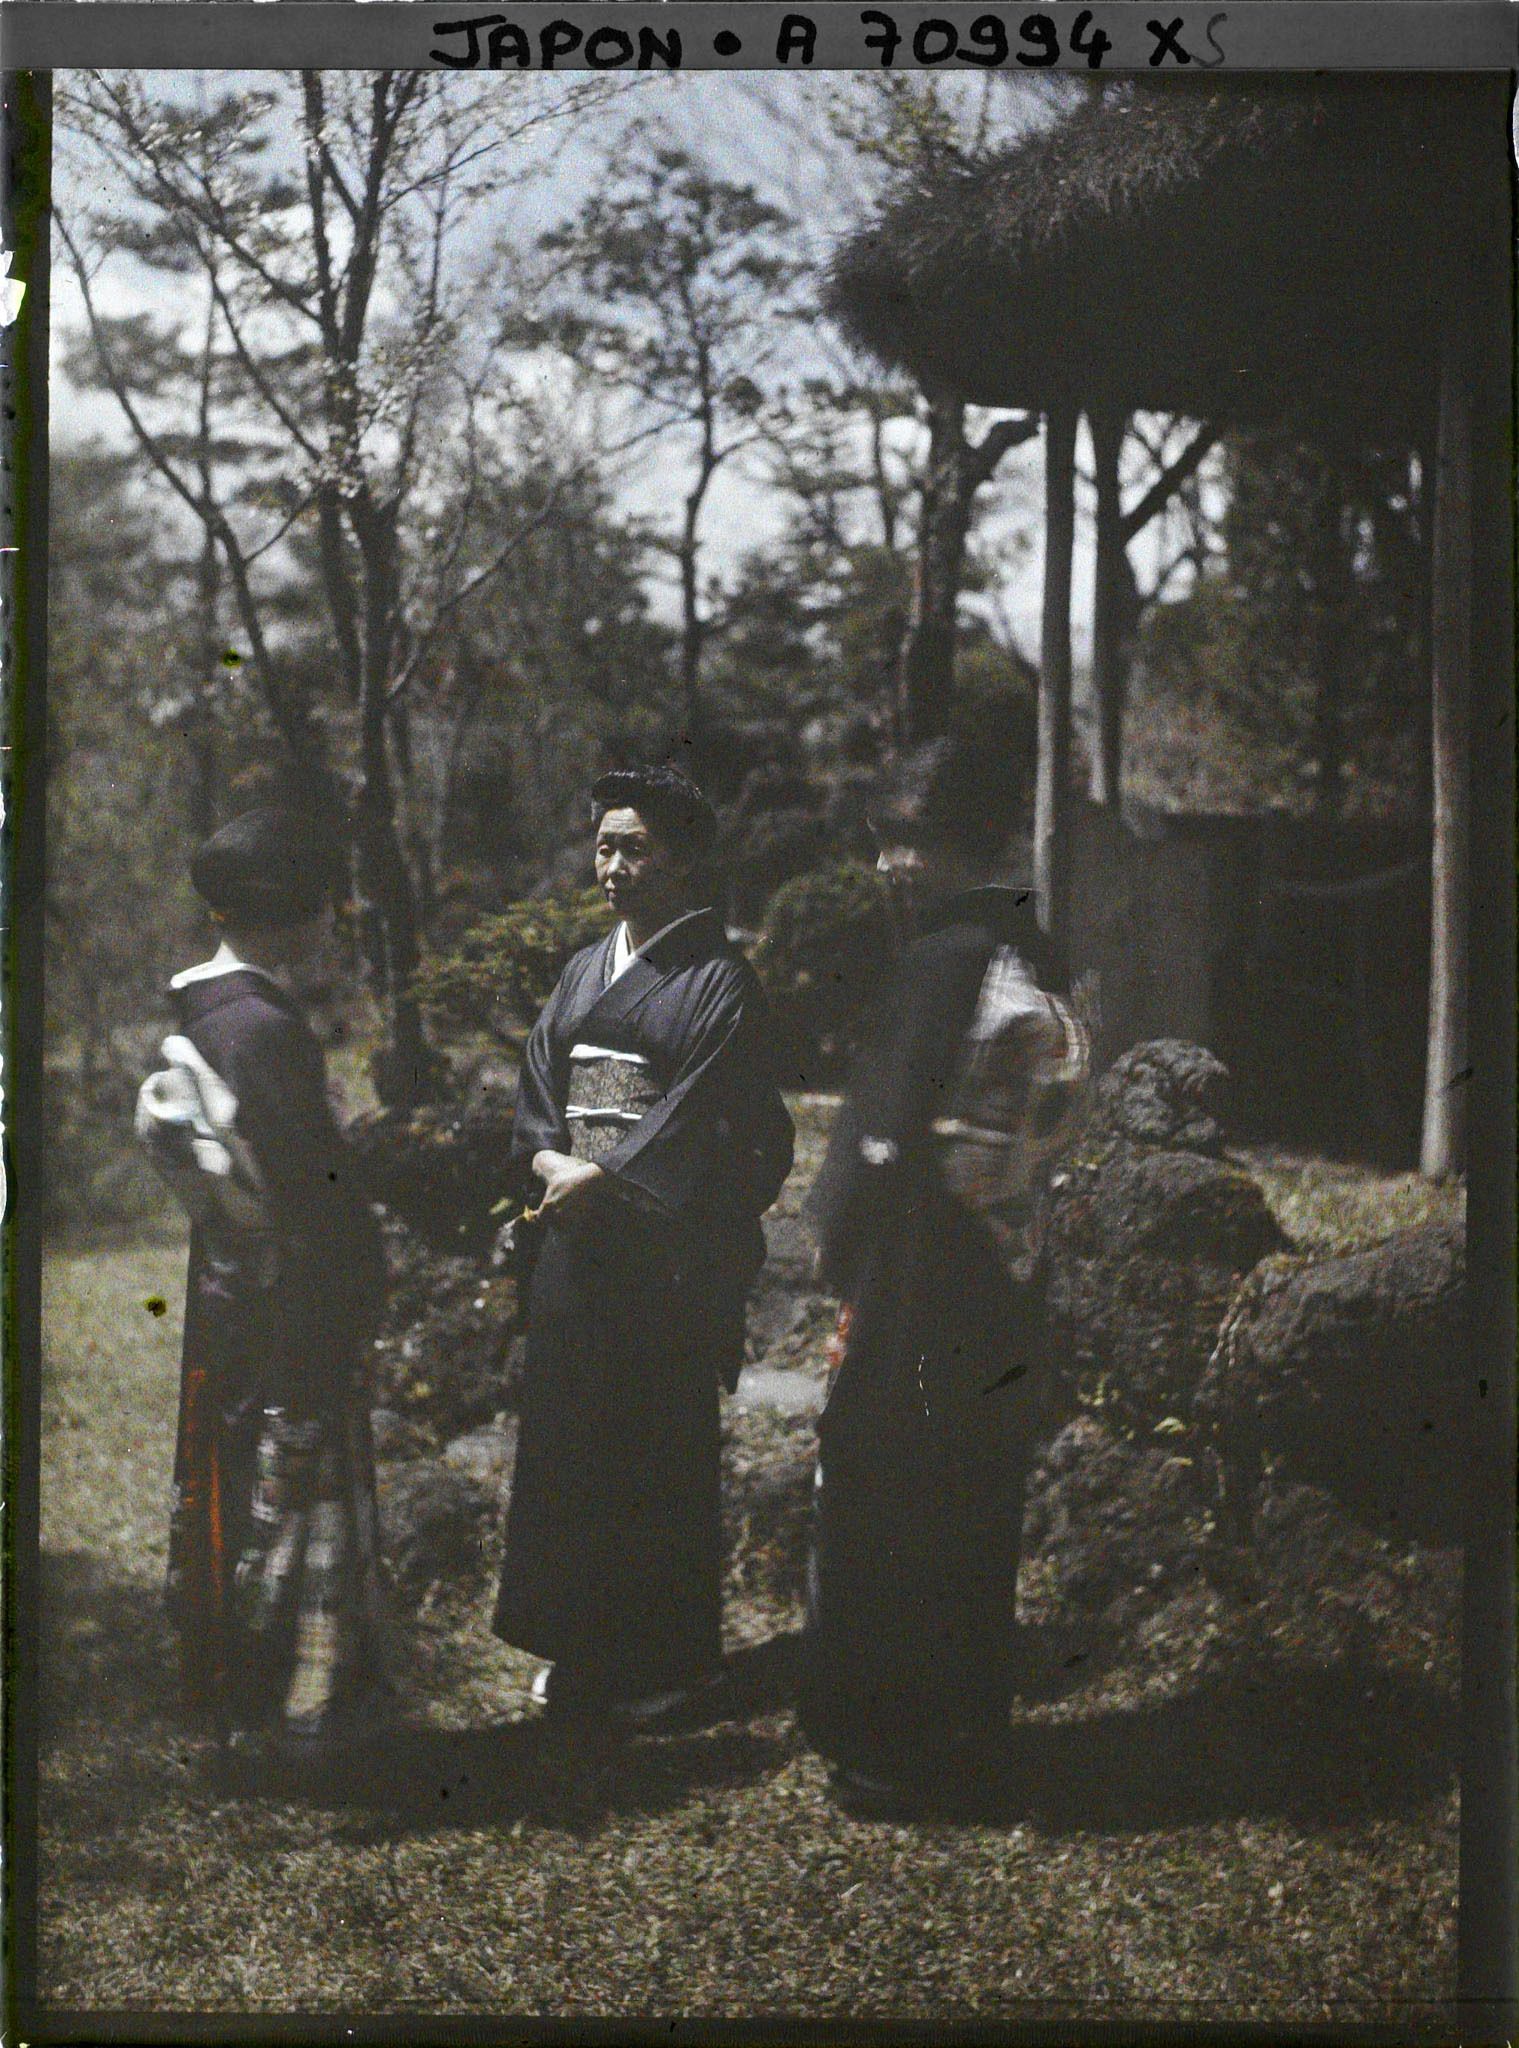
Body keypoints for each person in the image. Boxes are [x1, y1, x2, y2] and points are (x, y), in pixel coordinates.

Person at [801, 735, 1086, 1818]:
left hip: (921, 1258)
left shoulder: (942, 957)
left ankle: (886, 1746)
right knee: (969, 1491)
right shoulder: (1036, 950)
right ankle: (964, 1730)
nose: (887, 865)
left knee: (884, 1487)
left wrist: (836, 1242)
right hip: (997, 1266)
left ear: (961, 841)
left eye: (905, 840)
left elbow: (880, 1127)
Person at [495, 765, 794, 1725]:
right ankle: (578, 1647)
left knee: (651, 1450)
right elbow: (541, 1078)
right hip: (572, 1237)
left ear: (685, 861)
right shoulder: (585, 968)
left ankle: (665, 1664)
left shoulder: (721, 981)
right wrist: (549, 1158)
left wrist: (612, 1179)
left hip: (659, 1255)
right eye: (603, 847)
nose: (612, 867)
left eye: (635, 848)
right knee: (569, 1443)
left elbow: (705, 1115)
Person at [140, 803, 389, 1765]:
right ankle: (295, 1715)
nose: (331, 920)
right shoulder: (267, 1029)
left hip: (229, 1285)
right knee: (288, 1490)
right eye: (324, 904)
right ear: (294, 912)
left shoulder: (206, 1013)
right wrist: (361, 1279)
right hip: (291, 1294)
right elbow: (313, 1193)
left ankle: (235, 1706)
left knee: (233, 1471)